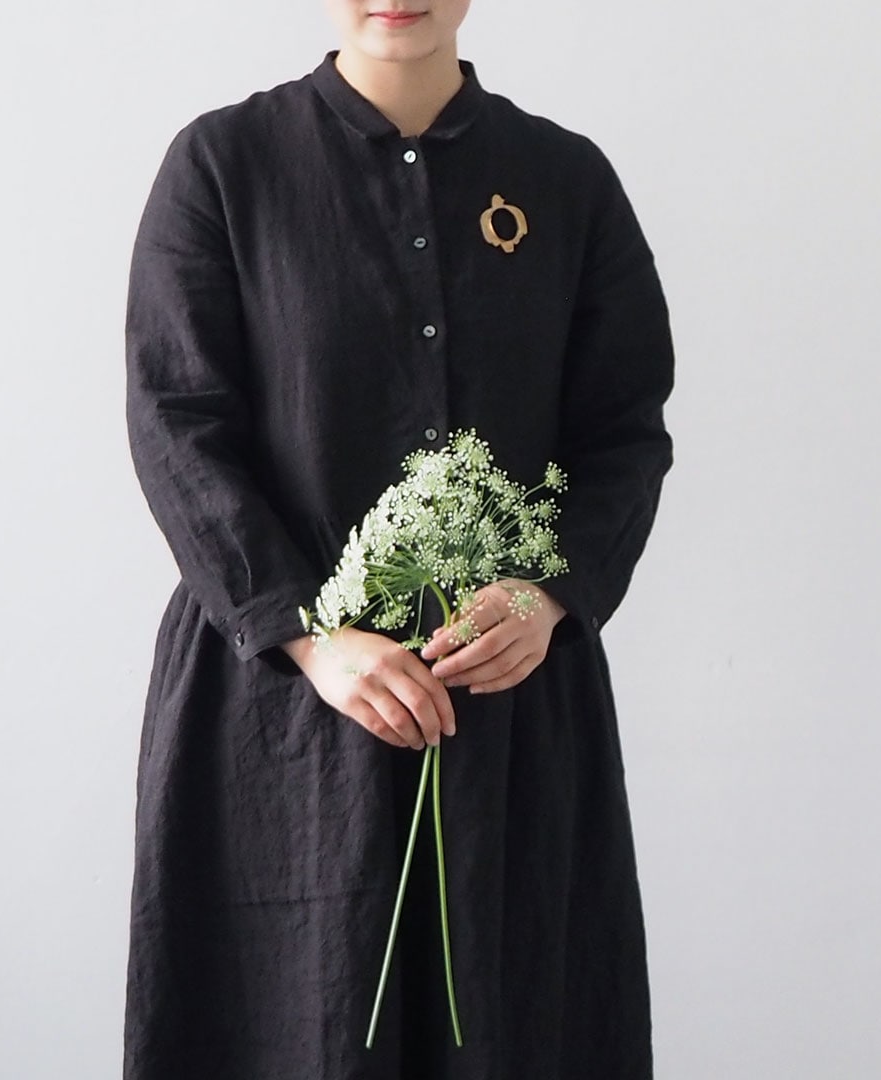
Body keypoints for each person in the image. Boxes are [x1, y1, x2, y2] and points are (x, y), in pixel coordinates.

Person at [122, 2, 675, 1077]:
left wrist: (548, 594)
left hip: (508, 696)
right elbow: (177, 420)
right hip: (277, 704)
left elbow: (623, 429)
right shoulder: (224, 166)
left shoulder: (566, 180)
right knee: (290, 1026)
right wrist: (309, 634)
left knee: (518, 1024)